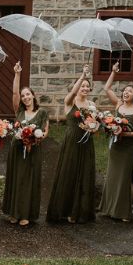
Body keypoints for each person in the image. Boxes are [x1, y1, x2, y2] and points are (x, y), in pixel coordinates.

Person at [47, 64, 97, 224]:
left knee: (84, 174)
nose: (85, 88)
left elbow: (96, 127)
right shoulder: (69, 102)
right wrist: (83, 75)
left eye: (87, 86)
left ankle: (79, 212)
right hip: (72, 141)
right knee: (69, 173)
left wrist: (92, 128)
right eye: (82, 85)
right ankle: (64, 210)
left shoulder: (92, 106)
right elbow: (72, 93)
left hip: (87, 142)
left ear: (90, 90)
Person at [2, 61, 49, 226]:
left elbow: (45, 131)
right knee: (17, 179)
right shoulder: (19, 111)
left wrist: (34, 139)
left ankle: (25, 214)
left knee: (28, 180)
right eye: (23, 96)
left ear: (33, 95)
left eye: (28, 94)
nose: (25, 97)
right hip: (17, 149)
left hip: (33, 151)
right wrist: (17, 74)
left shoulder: (42, 112)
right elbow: (14, 93)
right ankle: (14, 212)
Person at [98, 62, 133, 222]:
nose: (126, 93)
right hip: (115, 147)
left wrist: (126, 134)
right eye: (125, 91)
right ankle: (109, 208)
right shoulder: (118, 105)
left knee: (125, 178)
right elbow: (107, 89)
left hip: (128, 149)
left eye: (130, 91)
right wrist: (113, 72)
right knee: (112, 176)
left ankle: (126, 211)